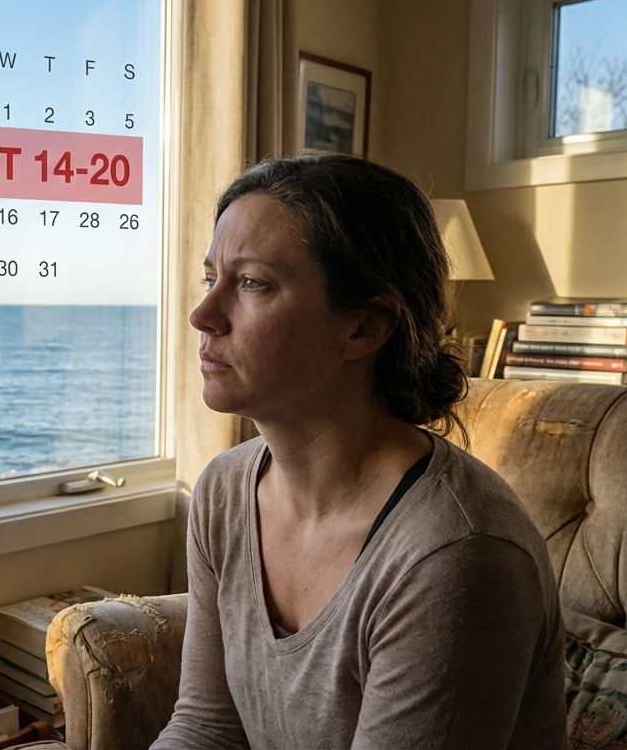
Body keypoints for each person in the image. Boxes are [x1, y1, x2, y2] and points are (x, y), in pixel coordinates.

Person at [150, 155, 566, 749]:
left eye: (252, 283)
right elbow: (206, 727)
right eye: (210, 277)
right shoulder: (223, 491)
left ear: (365, 328)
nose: (203, 315)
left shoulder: (454, 555)